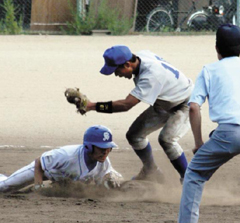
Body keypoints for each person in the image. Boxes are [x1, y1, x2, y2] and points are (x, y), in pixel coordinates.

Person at [85, 45, 194, 183]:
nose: (116, 74)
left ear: (127, 64)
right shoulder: (141, 57)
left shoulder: (150, 77)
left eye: (116, 70)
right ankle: (151, 171)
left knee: (167, 139)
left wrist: (92, 106)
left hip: (186, 103)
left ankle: (189, 179)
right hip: (165, 102)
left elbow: (126, 105)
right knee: (134, 136)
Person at [178, 24, 240, 223]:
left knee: (194, 173)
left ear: (216, 48)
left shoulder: (209, 70)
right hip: (226, 133)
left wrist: (198, 143)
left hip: (228, 134)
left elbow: (194, 107)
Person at [0, 125, 123, 192]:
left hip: (62, 177)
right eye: (102, 148)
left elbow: (100, 183)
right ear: (89, 147)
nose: (106, 152)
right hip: (44, 170)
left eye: (108, 148)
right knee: (5, 187)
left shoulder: (104, 163)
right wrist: (38, 186)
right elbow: (39, 161)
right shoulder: (67, 155)